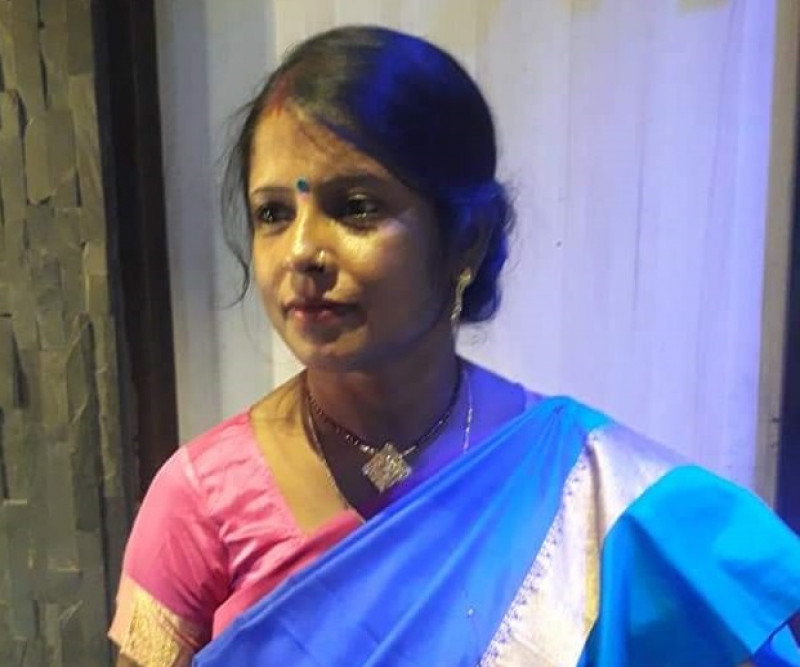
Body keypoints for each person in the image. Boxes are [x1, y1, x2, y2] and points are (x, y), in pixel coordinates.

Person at [109, 25, 800, 667]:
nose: (301, 251)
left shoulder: (580, 481)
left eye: (355, 207)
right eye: (273, 213)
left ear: (465, 237)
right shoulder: (200, 502)